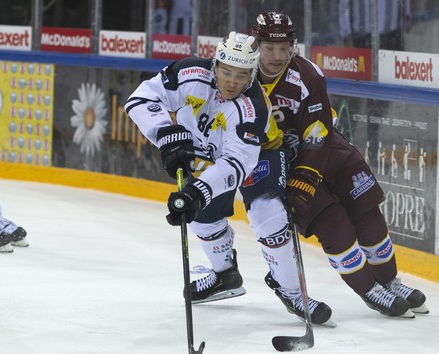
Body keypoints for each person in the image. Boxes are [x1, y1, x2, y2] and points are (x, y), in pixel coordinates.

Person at [125, 31, 332, 325]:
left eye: (242, 74)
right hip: (208, 152)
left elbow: (236, 164)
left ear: (251, 74)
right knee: (199, 217)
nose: (232, 81)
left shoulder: (251, 107)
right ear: (215, 65)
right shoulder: (190, 72)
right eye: (226, 71)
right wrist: (166, 134)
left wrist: (199, 191)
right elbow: (142, 97)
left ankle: (292, 292)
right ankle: (225, 276)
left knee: (267, 213)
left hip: (261, 154)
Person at [252, 11, 428, 318]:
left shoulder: (307, 75)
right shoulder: (241, 76)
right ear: (257, 45)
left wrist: (307, 178)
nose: (278, 56)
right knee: (334, 226)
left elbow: (318, 135)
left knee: (368, 213)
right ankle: (370, 290)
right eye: (270, 48)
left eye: (285, 48)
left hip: (326, 152)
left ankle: (389, 281)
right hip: (283, 166)